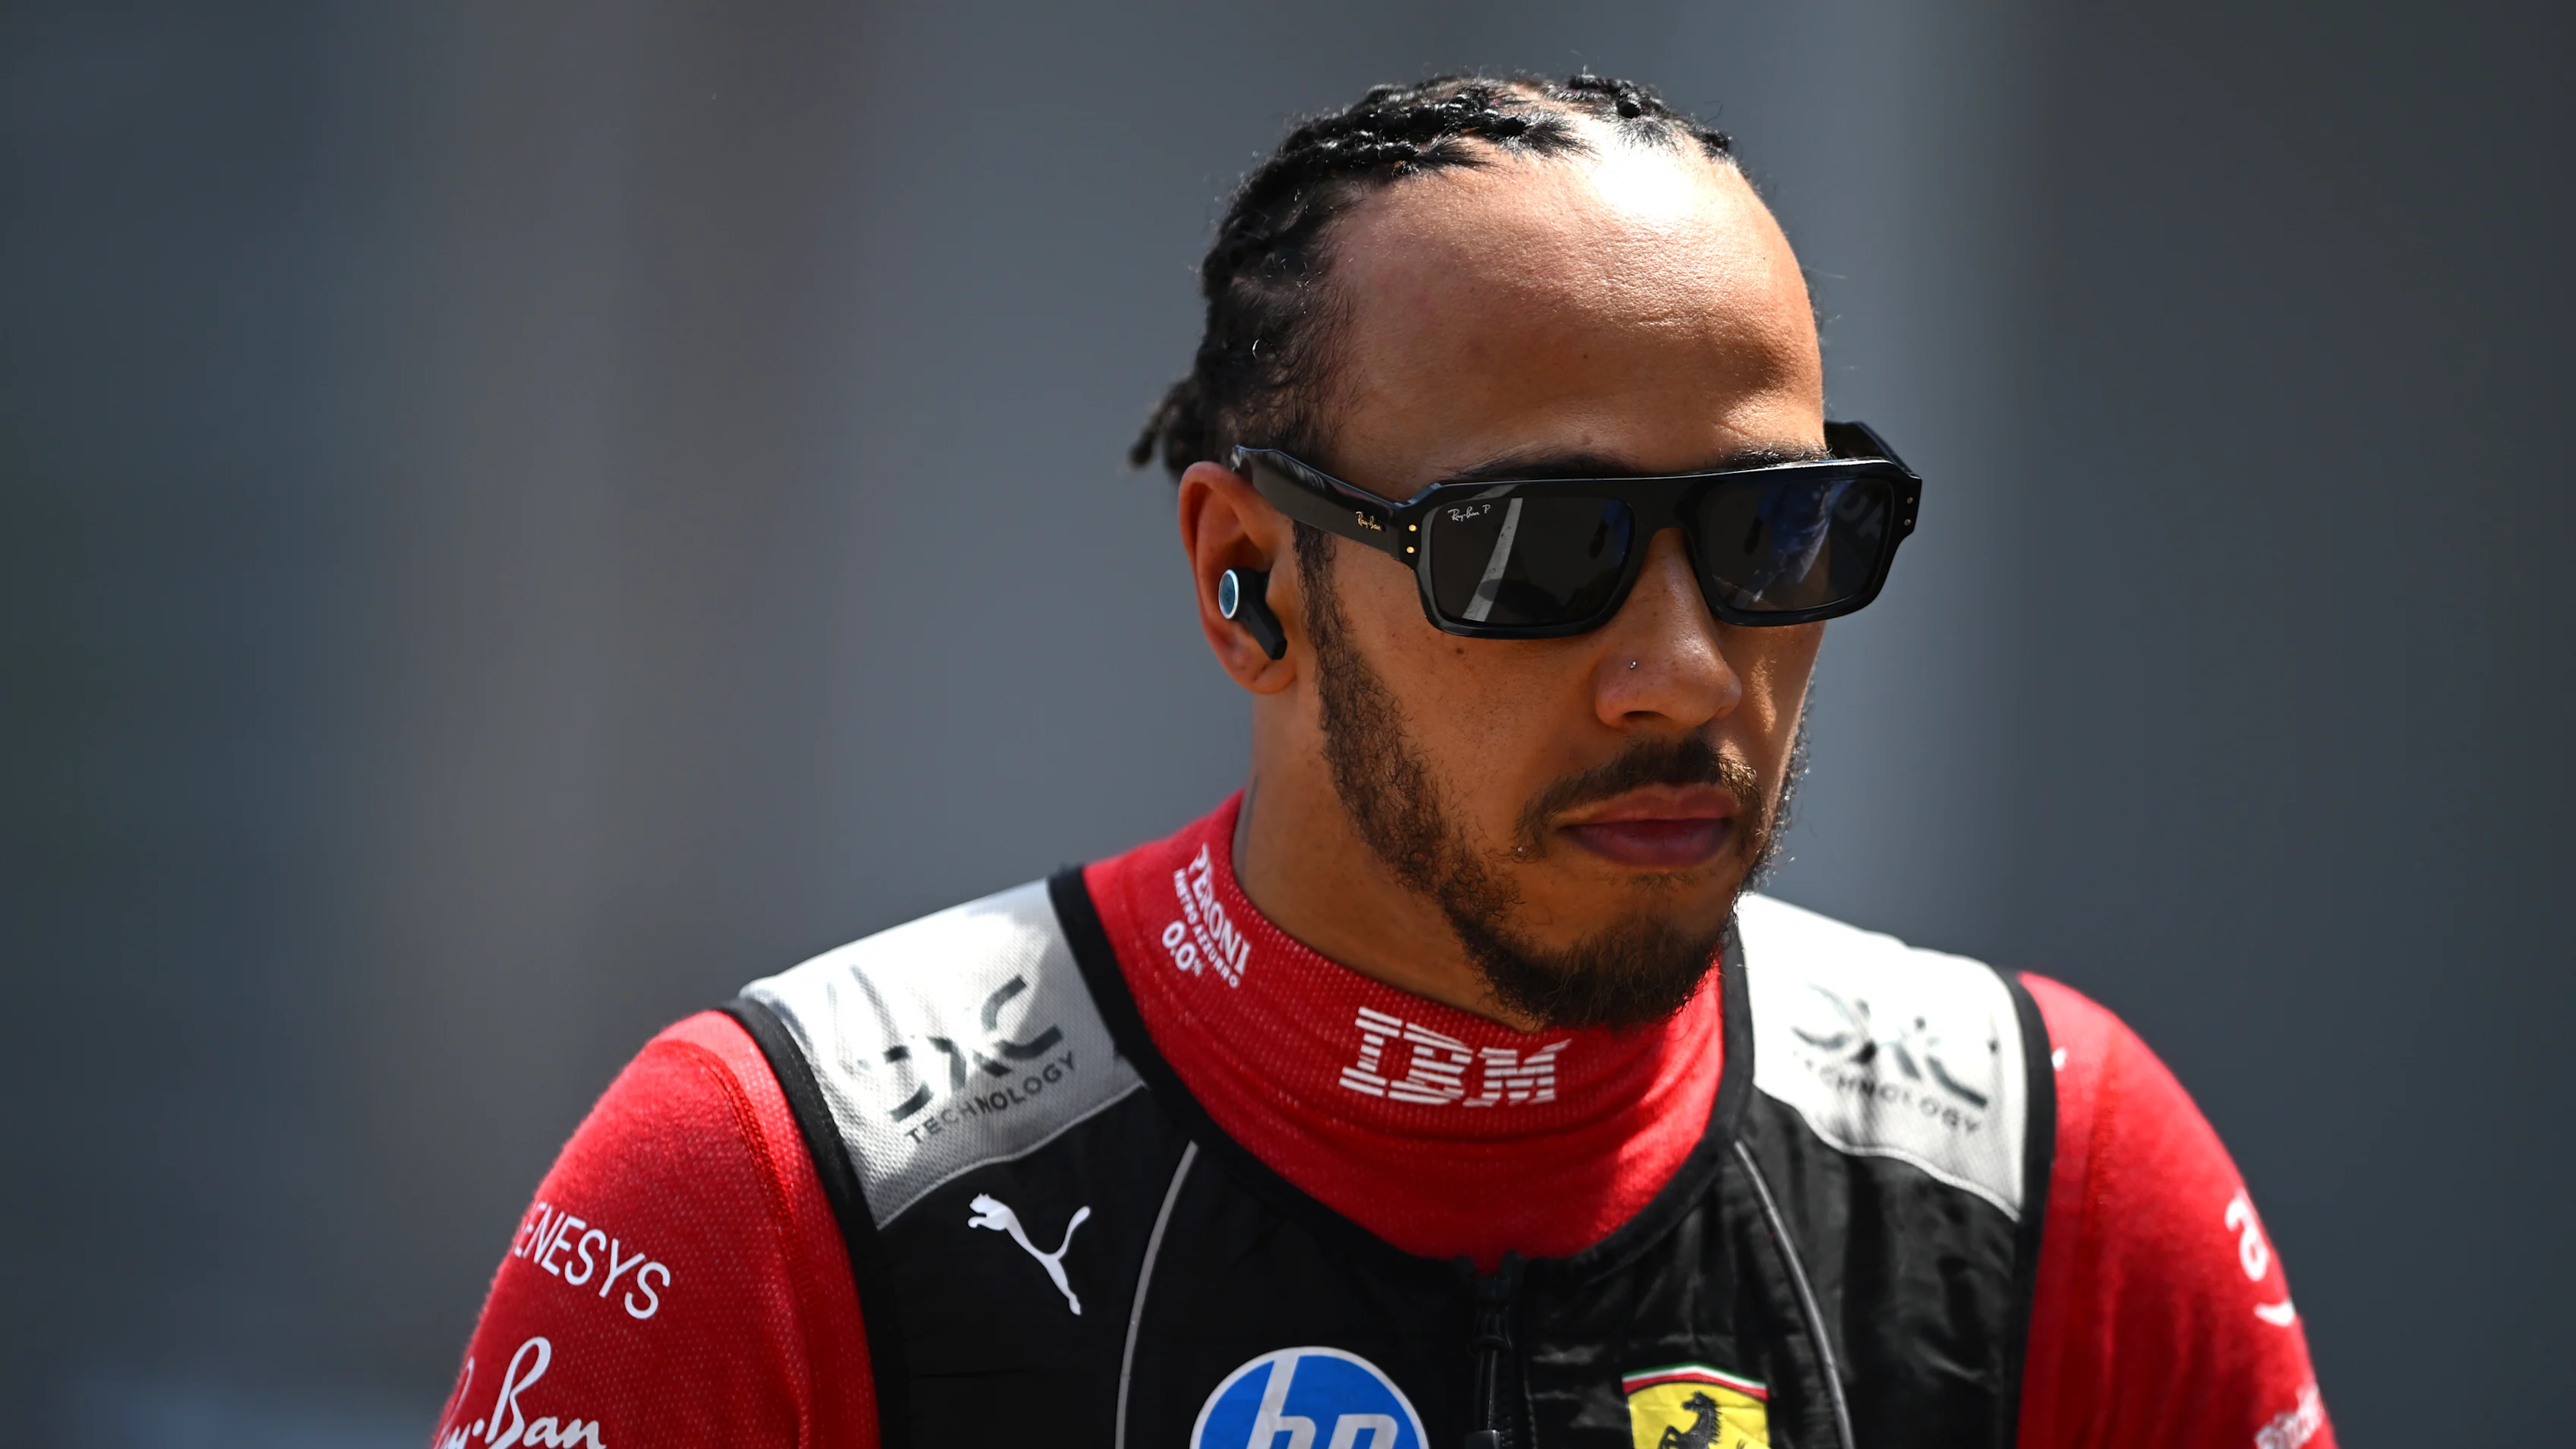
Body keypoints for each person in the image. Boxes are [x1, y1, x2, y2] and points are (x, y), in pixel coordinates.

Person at [430, 72, 2333, 1449]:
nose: (1681, 671)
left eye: (1777, 537)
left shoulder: (2057, 1170)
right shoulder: (783, 1181)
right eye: (1539, 553)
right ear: (1248, 581)